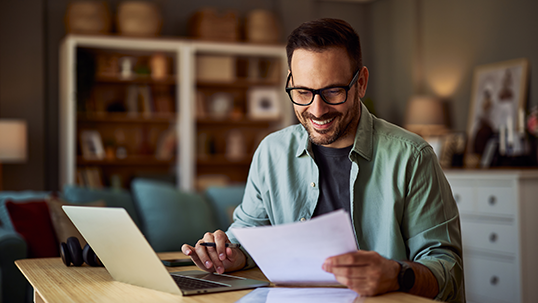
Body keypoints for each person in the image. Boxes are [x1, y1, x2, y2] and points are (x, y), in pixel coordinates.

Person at [182, 18, 464, 302]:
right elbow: (247, 234)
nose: (317, 110)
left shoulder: (412, 157)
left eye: (332, 91)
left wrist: (397, 274)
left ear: (361, 83)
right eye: (303, 92)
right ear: (290, 83)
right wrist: (230, 255)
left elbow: (448, 273)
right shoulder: (271, 152)